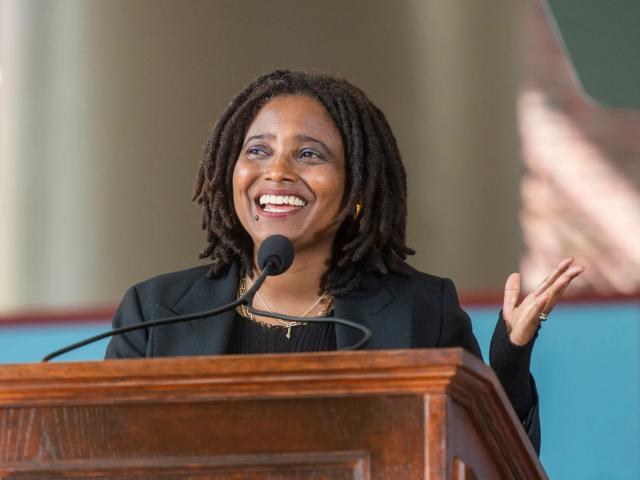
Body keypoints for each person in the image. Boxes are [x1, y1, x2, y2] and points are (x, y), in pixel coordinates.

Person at [105, 70, 585, 455]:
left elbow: (487, 462)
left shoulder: (421, 310)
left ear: (356, 191)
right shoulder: (155, 313)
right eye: (258, 150)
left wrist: (509, 357)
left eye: (309, 154)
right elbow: (105, 457)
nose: (276, 171)